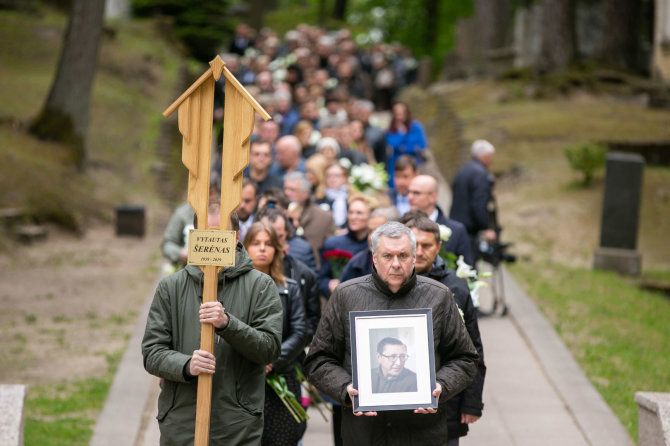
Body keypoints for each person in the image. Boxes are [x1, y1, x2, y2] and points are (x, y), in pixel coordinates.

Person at [304, 221, 479, 445]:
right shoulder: (346, 296)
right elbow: (318, 360)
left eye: (403, 256)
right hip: (364, 434)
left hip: (421, 433)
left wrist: (441, 386)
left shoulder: (439, 296)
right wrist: (346, 389)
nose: (396, 264)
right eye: (387, 256)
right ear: (374, 258)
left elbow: (466, 358)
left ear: (414, 257)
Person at [142, 206, 283, 445]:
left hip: (237, 425)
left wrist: (228, 324)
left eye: (218, 233)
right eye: (205, 232)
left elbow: (269, 349)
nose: (211, 240)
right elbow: (152, 353)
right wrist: (186, 365)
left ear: (236, 237)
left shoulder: (261, 285)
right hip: (182, 422)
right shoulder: (171, 287)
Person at [400, 212, 486, 446]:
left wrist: (472, 402)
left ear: (438, 247)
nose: (419, 252)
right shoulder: (390, 283)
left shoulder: (455, 288)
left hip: (445, 400)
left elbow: (473, 348)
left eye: (426, 246)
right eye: (414, 245)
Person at [242, 222, 307, 446]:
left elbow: (300, 331)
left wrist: (272, 359)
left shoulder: (290, 288)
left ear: (276, 250)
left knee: (282, 437)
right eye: (256, 243)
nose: (262, 249)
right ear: (245, 248)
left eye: (268, 244)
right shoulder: (234, 287)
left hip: (282, 375)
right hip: (244, 376)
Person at [256, 205, 320, 341]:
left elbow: (310, 323)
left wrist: (283, 354)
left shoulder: (304, 275)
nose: (273, 244)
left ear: (287, 235)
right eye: (267, 237)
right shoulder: (240, 273)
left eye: (278, 237)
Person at [407, 174, 474, 266]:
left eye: (416, 193)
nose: (409, 197)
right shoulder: (401, 226)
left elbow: (468, 270)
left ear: (433, 197)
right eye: (409, 192)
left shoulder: (457, 230)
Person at [317, 194, 375, 299]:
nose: (353, 217)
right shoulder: (333, 244)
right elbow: (321, 278)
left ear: (371, 216)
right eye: (351, 212)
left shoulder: (375, 245)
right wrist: (329, 285)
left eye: (359, 213)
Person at [449, 139, 498, 259]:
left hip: (455, 223)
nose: (491, 160)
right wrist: (486, 227)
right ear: (485, 156)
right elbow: (479, 203)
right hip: (469, 230)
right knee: (469, 265)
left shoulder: (463, 170)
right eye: (490, 157)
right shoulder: (480, 174)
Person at [160, 178, 219, 271]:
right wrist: (180, 253)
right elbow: (167, 244)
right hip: (186, 270)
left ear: (217, 193)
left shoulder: (224, 215)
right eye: (203, 193)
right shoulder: (181, 214)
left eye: (210, 193)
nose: (207, 197)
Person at [283, 171, 335, 269]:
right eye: (285, 188)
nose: (286, 193)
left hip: (310, 270)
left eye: (292, 190)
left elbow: (328, 253)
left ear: (305, 193)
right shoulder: (276, 211)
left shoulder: (324, 217)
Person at [339, 206, 399, 283]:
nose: (371, 237)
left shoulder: (408, 263)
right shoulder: (356, 263)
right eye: (370, 231)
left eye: (378, 231)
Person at [385, 101, 426, 187]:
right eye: (397, 113)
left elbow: (421, 145)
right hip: (396, 163)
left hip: (414, 162)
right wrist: (401, 134)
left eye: (402, 113)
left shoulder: (416, 127)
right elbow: (393, 145)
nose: (399, 116)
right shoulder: (391, 130)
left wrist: (404, 148)